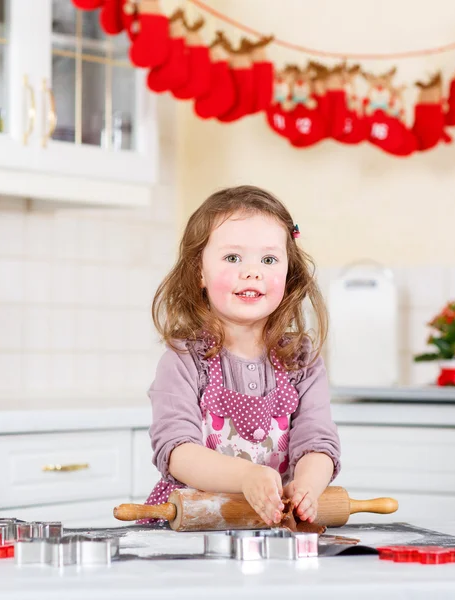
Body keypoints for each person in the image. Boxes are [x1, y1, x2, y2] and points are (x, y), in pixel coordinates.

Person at [144, 185, 340, 527]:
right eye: (233, 257)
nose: (252, 271)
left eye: (268, 259)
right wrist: (247, 477)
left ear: (288, 273)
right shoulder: (185, 360)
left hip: (271, 528)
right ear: (198, 273)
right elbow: (177, 452)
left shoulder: (301, 361)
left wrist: (307, 486)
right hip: (193, 528)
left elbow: (317, 441)